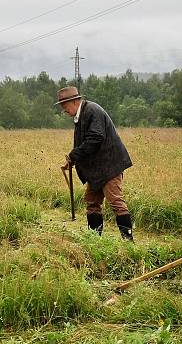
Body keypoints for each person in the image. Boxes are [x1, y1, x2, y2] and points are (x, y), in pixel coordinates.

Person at [56, 86, 134, 240]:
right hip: (97, 169)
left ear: (74, 101)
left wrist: (74, 154)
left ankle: (128, 241)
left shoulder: (92, 110)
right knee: (92, 202)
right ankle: (94, 240)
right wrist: (72, 160)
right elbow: (84, 143)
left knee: (116, 202)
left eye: (64, 106)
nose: (64, 110)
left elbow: (95, 138)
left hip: (109, 165)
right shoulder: (81, 115)